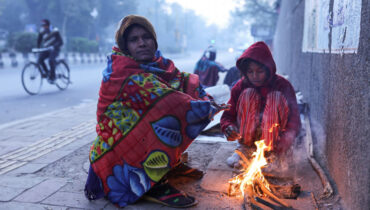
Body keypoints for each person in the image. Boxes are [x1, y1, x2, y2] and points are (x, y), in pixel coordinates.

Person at [84, 15, 228, 208]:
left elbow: (183, 80)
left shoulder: (160, 64)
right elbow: (171, 101)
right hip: (116, 152)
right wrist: (207, 106)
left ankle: (168, 165)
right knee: (166, 113)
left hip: (134, 140)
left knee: (173, 107)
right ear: (125, 46)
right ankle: (153, 183)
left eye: (146, 37)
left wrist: (204, 97)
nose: (142, 43)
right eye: (134, 40)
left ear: (154, 39)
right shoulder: (123, 71)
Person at [220, 41, 301, 168]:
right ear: (245, 72)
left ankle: (273, 154)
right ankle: (245, 149)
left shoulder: (282, 85)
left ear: (268, 70)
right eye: (250, 72)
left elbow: (294, 119)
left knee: (275, 97)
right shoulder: (240, 87)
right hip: (249, 137)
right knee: (248, 94)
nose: (255, 76)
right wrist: (228, 127)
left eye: (260, 71)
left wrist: (286, 140)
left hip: (276, 141)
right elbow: (227, 116)